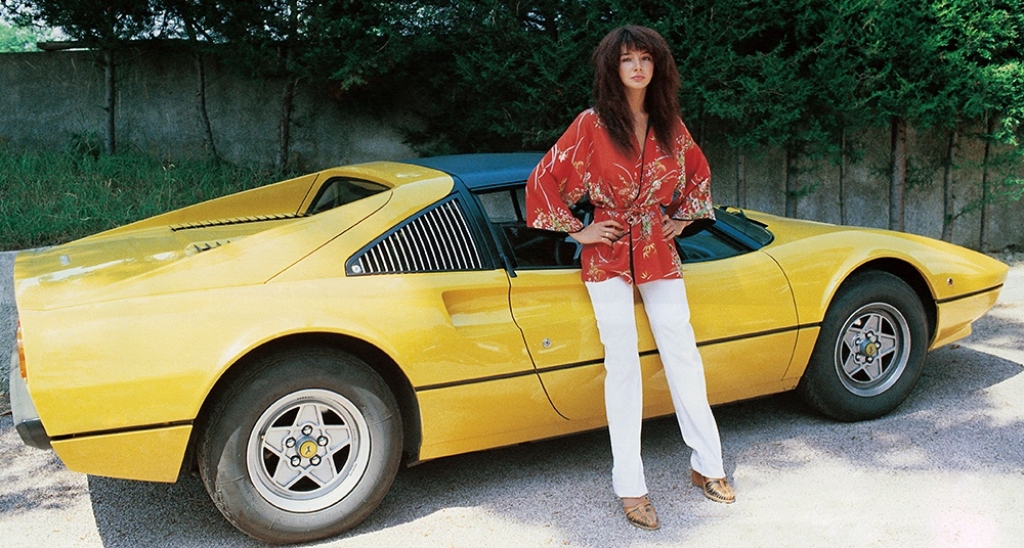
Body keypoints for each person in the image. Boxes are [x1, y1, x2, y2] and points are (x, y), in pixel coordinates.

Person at [525, 25, 735, 530]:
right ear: (611, 68)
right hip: (608, 253)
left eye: (645, 58)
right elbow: (543, 180)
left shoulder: (669, 124)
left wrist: (682, 219)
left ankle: (707, 466)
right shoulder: (591, 124)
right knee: (622, 364)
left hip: (659, 249)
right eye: (627, 59)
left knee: (682, 350)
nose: (637, 66)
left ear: (657, 65)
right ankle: (631, 486)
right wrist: (580, 230)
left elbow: (698, 175)